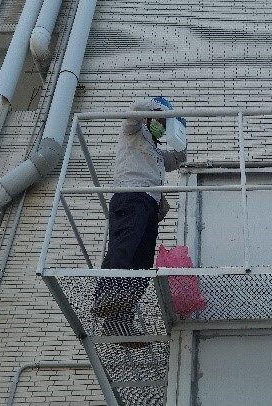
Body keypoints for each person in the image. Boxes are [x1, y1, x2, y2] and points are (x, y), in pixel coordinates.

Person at [91, 97, 187, 347]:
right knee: (125, 246)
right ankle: (105, 295)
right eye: (158, 122)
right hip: (130, 195)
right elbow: (134, 110)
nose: (159, 127)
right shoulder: (133, 131)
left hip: (150, 204)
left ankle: (119, 321)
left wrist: (178, 133)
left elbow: (177, 160)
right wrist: (161, 110)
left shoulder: (155, 149)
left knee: (142, 263)